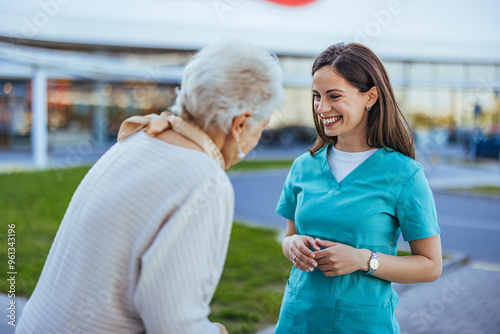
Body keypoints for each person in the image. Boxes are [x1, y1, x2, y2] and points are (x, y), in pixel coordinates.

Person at [16, 39, 284, 334]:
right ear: (240, 124)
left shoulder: (140, 137)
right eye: (261, 129)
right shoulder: (204, 179)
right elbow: (174, 324)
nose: (257, 140)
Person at [275, 43, 442, 333]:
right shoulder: (304, 166)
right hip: (296, 320)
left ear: (371, 97)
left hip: (363, 324)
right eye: (317, 96)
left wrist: (364, 259)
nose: (322, 108)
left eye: (334, 96)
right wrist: (292, 246)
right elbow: (288, 236)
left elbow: (430, 265)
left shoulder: (404, 175)